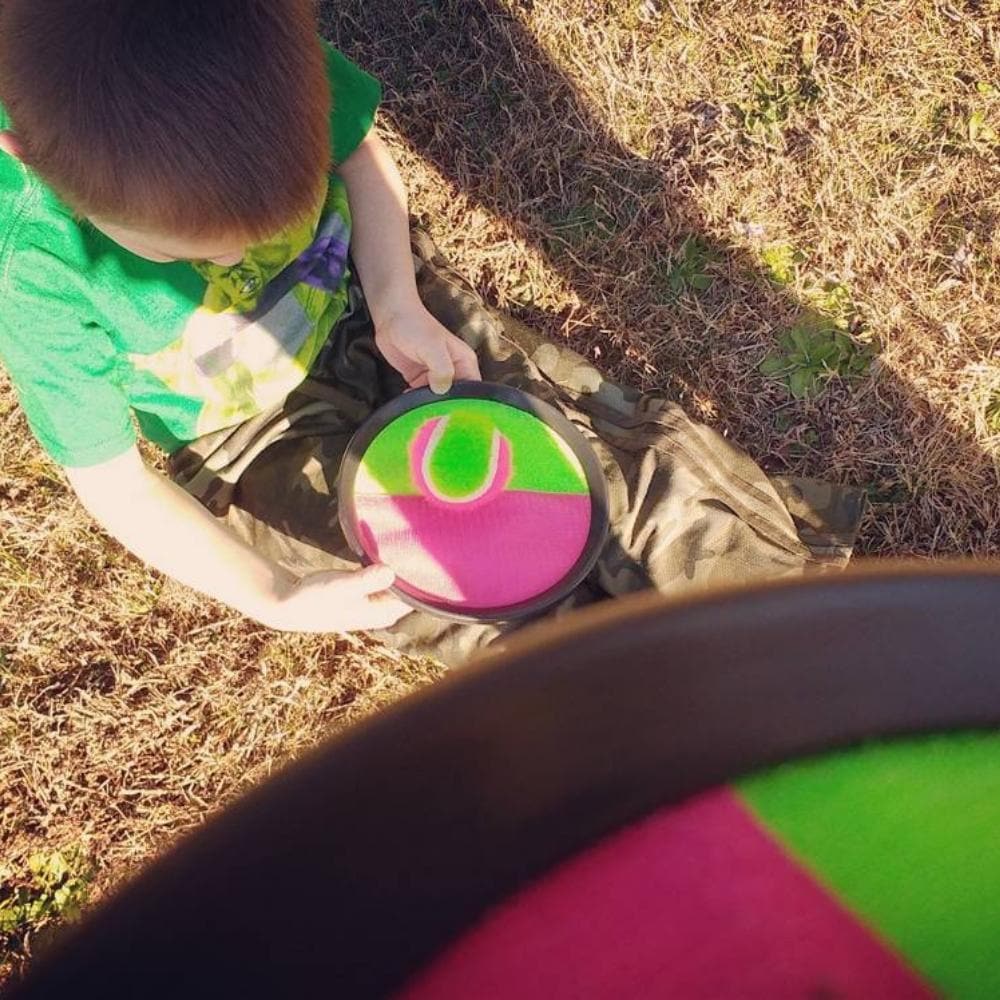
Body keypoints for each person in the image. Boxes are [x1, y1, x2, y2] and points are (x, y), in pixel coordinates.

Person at [0, 0, 863, 666]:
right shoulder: (32, 273)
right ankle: (639, 725)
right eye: (194, 249)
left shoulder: (253, 63)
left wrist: (394, 299)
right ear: (27, 157)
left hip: (374, 300)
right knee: (450, 593)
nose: (247, 253)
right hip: (250, 432)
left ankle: (801, 643)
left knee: (598, 459)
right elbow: (115, 488)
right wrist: (276, 598)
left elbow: (361, 160)